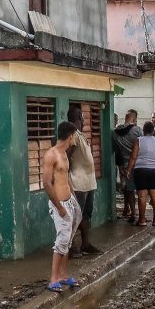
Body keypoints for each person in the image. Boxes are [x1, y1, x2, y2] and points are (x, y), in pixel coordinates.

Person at [42, 121, 84, 293]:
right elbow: (46, 183)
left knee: (67, 240)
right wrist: (59, 207)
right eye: (75, 135)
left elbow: (65, 179)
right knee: (61, 241)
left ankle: (63, 275)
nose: (76, 139)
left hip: (69, 201)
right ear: (70, 136)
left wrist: (73, 199)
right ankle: (53, 279)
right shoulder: (51, 155)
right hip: (59, 204)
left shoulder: (65, 154)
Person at [66, 107, 101, 257]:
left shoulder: (80, 134)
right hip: (78, 182)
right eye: (82, 116)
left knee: (86, 215)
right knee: (75, 216)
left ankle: (85, 244)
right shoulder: (72, 135)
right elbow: (66, 156)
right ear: (80, 117)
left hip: (88, 182)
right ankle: (72, 246)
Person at [126, 121, 155, 227]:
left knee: (142, 196)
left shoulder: (139, 140)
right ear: (153, 131)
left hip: (141, 170)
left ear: (143, 131)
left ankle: (142, 220)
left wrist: (128, 170)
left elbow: (133, 157)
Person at [112, 109, 143, 224]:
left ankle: (130, 211)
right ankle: (140, 214)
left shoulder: (115, 132)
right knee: (140, 190)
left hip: (124, 165)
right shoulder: (137, 130)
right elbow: (143, 145)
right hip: (138, 164)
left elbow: (115, 149)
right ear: (134, 119)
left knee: (128, 189)